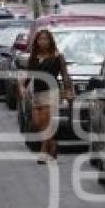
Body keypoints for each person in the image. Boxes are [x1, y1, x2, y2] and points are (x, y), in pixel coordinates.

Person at [22, 29, 73, 161]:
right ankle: (53, 144)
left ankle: (44, 150)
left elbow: (65, 75)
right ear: (36, 42)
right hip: (37, 93)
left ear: (50, 41)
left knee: (46, 123)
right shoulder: (34, 57)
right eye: (40, 39)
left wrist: (68, 90)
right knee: (37, 122)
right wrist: (23, 88)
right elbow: (28, 75)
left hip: (52, 92)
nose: (43, 41)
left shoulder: (57, 57)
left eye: (45, 39)